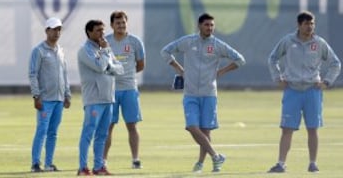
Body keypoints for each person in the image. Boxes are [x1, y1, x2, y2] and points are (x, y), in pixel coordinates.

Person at [160, 13, 246, 173]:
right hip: (190, 93)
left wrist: (222, 71)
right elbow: (165, 51)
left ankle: (201, 164)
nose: (210, 28)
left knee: (205, 131)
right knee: (192, 127)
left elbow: (240, 59)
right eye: (206, 25)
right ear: (199, 26)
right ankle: (216, 155)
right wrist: (178, 68)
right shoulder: (188, 41)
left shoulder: (218, 45)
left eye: (212, 25)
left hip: (209, 94)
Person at [267, 11, 341, 173]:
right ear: (299, 25)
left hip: (312, 91)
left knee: (312, 128)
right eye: (307, 24)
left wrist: (327, 82)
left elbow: (335, 63)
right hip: (292, 90)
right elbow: (273, 58)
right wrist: (277, 78)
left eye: (312, 23)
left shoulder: (319, 43)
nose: (310, 27)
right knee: (287, 129)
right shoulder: (288, 41)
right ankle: (281, 163)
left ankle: (313, 163)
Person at [77, 19, 124, 176]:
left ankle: (98, 167)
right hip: (94, 99)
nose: (102, 34)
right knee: (88, 133)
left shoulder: (105, 48)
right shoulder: (85, 51)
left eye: (103, 31)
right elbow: (100, 66)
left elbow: (120, 69)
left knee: (102, 135)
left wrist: (108, 64)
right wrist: (106, 59)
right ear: (89, 32)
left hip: (108, 98)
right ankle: (83, 168)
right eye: (98, 30)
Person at [29, 17, 71, 172]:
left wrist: (67, 95)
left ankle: (48, 163)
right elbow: (33, 74)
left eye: (59, 29)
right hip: (45, 99)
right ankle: (35, 163)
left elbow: (64, 74)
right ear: (47, 30)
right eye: (54, 29)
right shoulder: (38, 50)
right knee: (42, 131)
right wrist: (36, 96)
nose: (57, 32)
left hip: (59, 99)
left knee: (53, 133)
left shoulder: (60, 51)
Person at [104, 11, 145, 169]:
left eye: (123, 22)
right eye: (118, 23)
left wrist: (127, 75)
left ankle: (135, 159)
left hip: (129, 89)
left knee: (132, 125)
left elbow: (141, 65)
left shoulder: (135, 41)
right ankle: (103, 161)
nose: (121, 25)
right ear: (112, 25)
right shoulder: (105, 42)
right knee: (108, 125)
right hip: (110, 90)